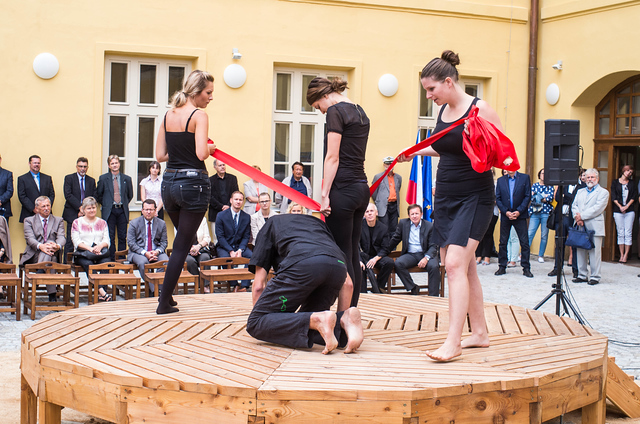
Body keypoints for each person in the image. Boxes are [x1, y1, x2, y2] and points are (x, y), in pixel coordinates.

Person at [398, 50, 504, 361]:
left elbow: (500, 151)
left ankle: (453, 341)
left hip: (475, 196)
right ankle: (480, 333)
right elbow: (445, 146)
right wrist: (415, 151)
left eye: (431, 89)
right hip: (445, 196)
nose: (428, 95)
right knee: (464, 266)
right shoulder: (443, 112)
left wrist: (478, 140)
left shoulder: (479, 109)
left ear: (448, 82)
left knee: (455, 265)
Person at [247, 214, 363, 354]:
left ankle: (320, 319)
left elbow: (259, 286)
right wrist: (341, 316)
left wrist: (266, 320)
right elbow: (348, 284)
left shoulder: (270, 224)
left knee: (256, 323)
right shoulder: (318, 225)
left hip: (303, 263)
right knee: (307, 321)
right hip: (337, 266)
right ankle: (344, 320)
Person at [306, 77, 370, 307]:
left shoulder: (335, 111)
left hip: (342, 190)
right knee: (353, 252)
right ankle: (351, 312)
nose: (321, 112)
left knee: (341, 254)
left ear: (322, 96)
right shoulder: (359, 111)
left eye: (317, 107)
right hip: (361, 189)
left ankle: (343, 317)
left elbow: (332, 157)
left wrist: (324, 194)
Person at [155, 69, 215, 314]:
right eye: (209, 93)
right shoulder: (199, 115)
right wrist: (212, 147)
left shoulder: (169, 115)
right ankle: (163, 302)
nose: (211, 98)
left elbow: (160, 156)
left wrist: (181, 153)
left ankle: (167, 300)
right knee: (182, 245)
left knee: (184, 240)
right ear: (197, 92)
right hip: (194, 185)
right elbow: (202, 153)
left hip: (169, 184)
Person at [387, 204, 440, 296]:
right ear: (408, 215)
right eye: (412, 214)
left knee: (434, 266)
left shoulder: (429, 226)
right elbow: (395, 240)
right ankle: (413, 287)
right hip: (410, 255)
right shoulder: (403, 224)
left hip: (426, 254)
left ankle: (433, 296)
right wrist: (382, 252)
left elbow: (433, 246)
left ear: (421, 214)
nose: (414, 216)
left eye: (417, 213)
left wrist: (426, 258)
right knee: (398, 263)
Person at [19, 196, 65, 302]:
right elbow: (30, 239)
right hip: (34, 255)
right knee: (50, 259)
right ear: (37, 208)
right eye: (43, 206)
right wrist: (41, 246)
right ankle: (52, 295)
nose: (46, 208)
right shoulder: (29, 221)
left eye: (48, 205)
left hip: (52, 253)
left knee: (51, 255)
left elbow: (62, 237)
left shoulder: (58, 220)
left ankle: (41, 270)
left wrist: (57, 246)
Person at [70, 197, 112, 302]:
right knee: (88, 264)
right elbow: (76, 241)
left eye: (93, 208)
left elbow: (107, 240)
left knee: (106, 263)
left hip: (99, 252)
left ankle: (103, 293)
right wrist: (90, 248)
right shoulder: (77, 222)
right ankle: (102, 291)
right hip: (83, 253)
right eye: (88, 208)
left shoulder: (102, 222)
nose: (92, 210)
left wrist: (99, 247)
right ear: (83, 210)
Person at [572, 168, 609, 285]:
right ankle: (582, 275)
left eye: (592, 177)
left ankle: (595, 276)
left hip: (594, 226)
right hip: (580, 225)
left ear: (597, 179)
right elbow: (574, 205)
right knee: (580, 250)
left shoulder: (603, 192)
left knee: (594, 253)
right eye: (588, 177)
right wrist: (577, 217)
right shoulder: (580, 191)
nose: (590, 179)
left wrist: (581, 216)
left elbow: (597, 209)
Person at [495, 170, 533, 277]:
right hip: (506, 215)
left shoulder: (524, 178)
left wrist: (519, 211)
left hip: (520, 215)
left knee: (524, 242)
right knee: (503, 242)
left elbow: (527, 196)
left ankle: (526, 268)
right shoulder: (501, 180)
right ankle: (502, 266)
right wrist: (505, 211)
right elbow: (498, 198)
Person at [96, 155, 133, 260]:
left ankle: (121, 258)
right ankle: (111, 259)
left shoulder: (127, 179)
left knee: (122, 236)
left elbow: (130, 195)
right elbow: (99, 194)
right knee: (110, 236)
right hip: (110, 211)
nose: (114, 165)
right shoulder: (103, 178)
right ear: (109, 165)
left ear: (119, 164)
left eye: (116, 163)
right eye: (112, 163)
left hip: (122, 210)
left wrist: (122, 203)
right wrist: (106, 204)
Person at [127, 199, 169, 289]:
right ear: (142, 211)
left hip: (156, 252)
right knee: (143, 262)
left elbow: (164, 242)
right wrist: (145, 253)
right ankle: (154, 290)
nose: (148, 212)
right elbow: (131, 242)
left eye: (151, 210)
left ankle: (159, 288)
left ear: (155, 210)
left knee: (165, 262)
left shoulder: (161, 223)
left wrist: (156, 252)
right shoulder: (134, 223)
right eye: (146, 210)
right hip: (138, 253)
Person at [216, 191, 252, 291]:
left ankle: (244, 286)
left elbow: (246, 236)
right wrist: (230, 251)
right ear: (231, 200)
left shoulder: (246, 217)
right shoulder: (221, 215)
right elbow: (220, 237)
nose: (238, 202)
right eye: (236, 199)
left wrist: (240, 250)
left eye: (240, 200)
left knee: (252, 257)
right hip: (224, 246)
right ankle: (235, 284)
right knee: (224, 259)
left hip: (240, 246)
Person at [63, 157, 97, 263]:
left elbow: (93, 196)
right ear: (76, 167)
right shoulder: (69, 178)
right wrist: (80, 208)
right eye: (80, 166)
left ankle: (83, 262)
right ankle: (66, 266)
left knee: (86, 239)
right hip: (72, 212)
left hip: (87, 215)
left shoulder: (91, 181)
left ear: (87, 168)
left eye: (85, 167)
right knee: (70, 240)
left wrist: (85, 210)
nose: (82, 169)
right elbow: (68, 195)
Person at [359, 203, 394, 293]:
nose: (370, 213)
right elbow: (355, 245)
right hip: (363, 257)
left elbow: (385, 248)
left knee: (389, 262)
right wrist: (359, 260)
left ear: (376, 213)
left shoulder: (383, 228)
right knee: (360, 267)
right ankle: (363, 293)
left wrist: (375, 259)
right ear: (364, 215)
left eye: (372, 211)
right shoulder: (359, 227)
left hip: (377, 257)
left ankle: (378, 288)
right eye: (367, 212)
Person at [17, 155, 55, 223]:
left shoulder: (47, 178)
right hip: (29, 213)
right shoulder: (22, 179)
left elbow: (52, 194)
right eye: (34, 163)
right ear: (29, 163)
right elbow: (22, 196)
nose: (37, 165)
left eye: (38, 163)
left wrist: (45, 208)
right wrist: (34, 209)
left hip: (46, 214)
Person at [527, 168, 554, 263]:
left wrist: (538, 195)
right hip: (535, 212)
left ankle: (541, 255)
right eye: (542, 173)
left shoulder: (550, 186)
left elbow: (550, 198)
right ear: (539, 175)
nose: (544, 175)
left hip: (546, 213)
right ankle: (524, 254)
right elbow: (531, 197)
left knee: (544, 235)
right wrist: (543, 196)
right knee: (530, 233)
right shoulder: (534, 185)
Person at [371, 156, 402, 238]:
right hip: (383, 206)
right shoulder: (378, 177)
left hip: (394, 206)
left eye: (391, 164)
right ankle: (384, 249)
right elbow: (374, 192)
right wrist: (378, 202)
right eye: (387, 164)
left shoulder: (398, 177)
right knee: (384, 229)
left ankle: (393, 249)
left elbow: (398, 189)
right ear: (384, 165)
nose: (389, 166)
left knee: (394, 229)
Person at [611, 165, 636, 263]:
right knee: (620, 232)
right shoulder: (615, 182)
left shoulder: (632, 183)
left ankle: (626, 255)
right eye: (628, 171)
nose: (629, 173)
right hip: (618, 210)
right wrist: (620, 206)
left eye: (631, 172)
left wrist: (626, 206)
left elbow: (634, 196)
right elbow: (613, 196)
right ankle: (621, 254)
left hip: (630, 210)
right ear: (623, 171)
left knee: (628, 232)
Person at [208, 159, 238, 241]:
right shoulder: (210, 180)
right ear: (215, 167)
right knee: (216, 238)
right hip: (215, 213)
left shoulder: (233, 178)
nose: (222, 167)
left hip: (230, 212)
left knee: (231, 236)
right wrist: (221, 207)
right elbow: (209, 197)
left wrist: (228, 205)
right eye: (220, 165)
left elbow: (235, 194)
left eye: (223, 165)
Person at [475, 168, 499, 266]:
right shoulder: (478, 183)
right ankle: (479, 255)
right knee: (478, 234)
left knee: (488, 234)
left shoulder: (497, 184)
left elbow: (498, 198)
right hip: (479, 212)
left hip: (492, 212)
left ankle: (487, 256)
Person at [0, 153, 13, 223]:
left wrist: (0, 200)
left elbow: (10, 191)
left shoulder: (7, 174)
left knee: (3, 233)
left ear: (0, 160)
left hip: (3, 210)